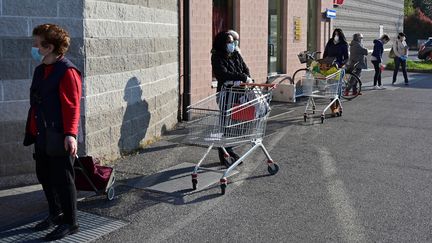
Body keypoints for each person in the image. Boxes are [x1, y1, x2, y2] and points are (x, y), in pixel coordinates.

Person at [23, 24, 82, 241]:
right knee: (45, 175)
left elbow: (72, 106)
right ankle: (55, 213)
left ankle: (71, 222)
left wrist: (70, 134)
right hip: (40, 133)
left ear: (49, 47)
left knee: (64, 179)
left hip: (59, 135)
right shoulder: (40, 69)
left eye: (37, 44)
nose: (34, 47)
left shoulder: (68, 71)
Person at [211, 31, 252, 166]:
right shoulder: (217, 57)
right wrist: (241, 77)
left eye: (233, 41)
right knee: (226, 125)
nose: (232, 44)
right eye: (229, 42)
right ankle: (225, 152)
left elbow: (246, 70)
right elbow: (222, 75)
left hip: (240, 94)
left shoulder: (236, 54)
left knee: (237, 124)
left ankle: (228, 149)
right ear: (223, 44)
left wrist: (245, 77)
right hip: (226, 95)